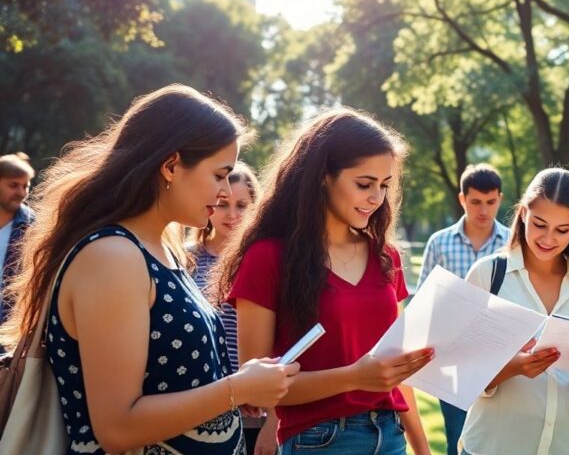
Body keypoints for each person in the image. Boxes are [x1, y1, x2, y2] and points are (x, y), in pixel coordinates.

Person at [0, 85, 298, 454]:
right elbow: (117, 426)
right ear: (171, 165)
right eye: (219, 175)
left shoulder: (159, 248)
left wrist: (238, 388)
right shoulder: (113, 256)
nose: (224, 192)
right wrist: (238, 390)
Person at [214, 108, 435, 455]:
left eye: (384, 185)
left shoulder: (386, 257)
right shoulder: (268, 258)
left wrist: (422, 448)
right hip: (318, 442)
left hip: (391, 436)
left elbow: (394, 371)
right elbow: (255, 388)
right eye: (364, 184)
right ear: (323, 176)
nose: (376, 198)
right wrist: (354, 378)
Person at [460, 168, 569, 455]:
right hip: (493, 446)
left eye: (562, 230)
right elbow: (463, 375)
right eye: (539, 224)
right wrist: (515, 366)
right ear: (522, 214)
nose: (548, 238)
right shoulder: (487, 275)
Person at [415, 163, 510, 454]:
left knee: (501, 439)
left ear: (500, 199)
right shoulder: (439, 242)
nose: (483, 210)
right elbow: (424, 301)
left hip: (501, 356)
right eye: (476, 202)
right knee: (457, 439)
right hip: (452, 357)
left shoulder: (512, 243)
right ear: (462, 199)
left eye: (491, 202)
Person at [189, 161, 271, 454]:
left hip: (255, 417)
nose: (233, 215)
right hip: (197, 411)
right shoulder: (183, 260)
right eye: (223, 204)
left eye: (242, 205)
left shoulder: (265, 261)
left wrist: (274, 422)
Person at [0, 152, 35, 327]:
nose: (21, 193)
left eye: (25, 186)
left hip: (7, 328)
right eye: (14, 185)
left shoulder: (33, 226)